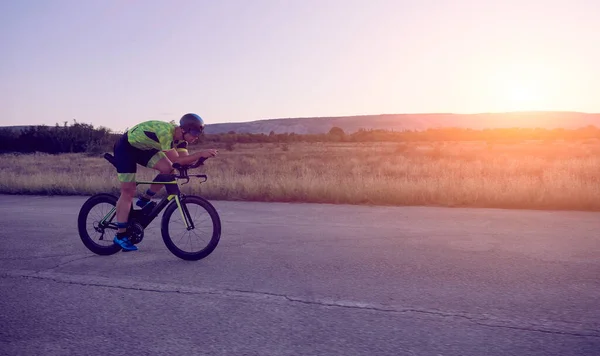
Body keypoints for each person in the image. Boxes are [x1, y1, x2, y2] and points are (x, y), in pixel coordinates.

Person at [112, 113, 218, 251]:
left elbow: (183, 161)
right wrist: (200, 154)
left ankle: (145, 198)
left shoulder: (182, 141)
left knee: (168, 169)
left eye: (198, 134)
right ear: (183, 129)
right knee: (128, 191)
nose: (195, 137)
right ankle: (120, 236)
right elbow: (178, 160)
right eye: (194, 133)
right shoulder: (165, 133)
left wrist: (199, 161)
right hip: (126, 148)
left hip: (145, 149)